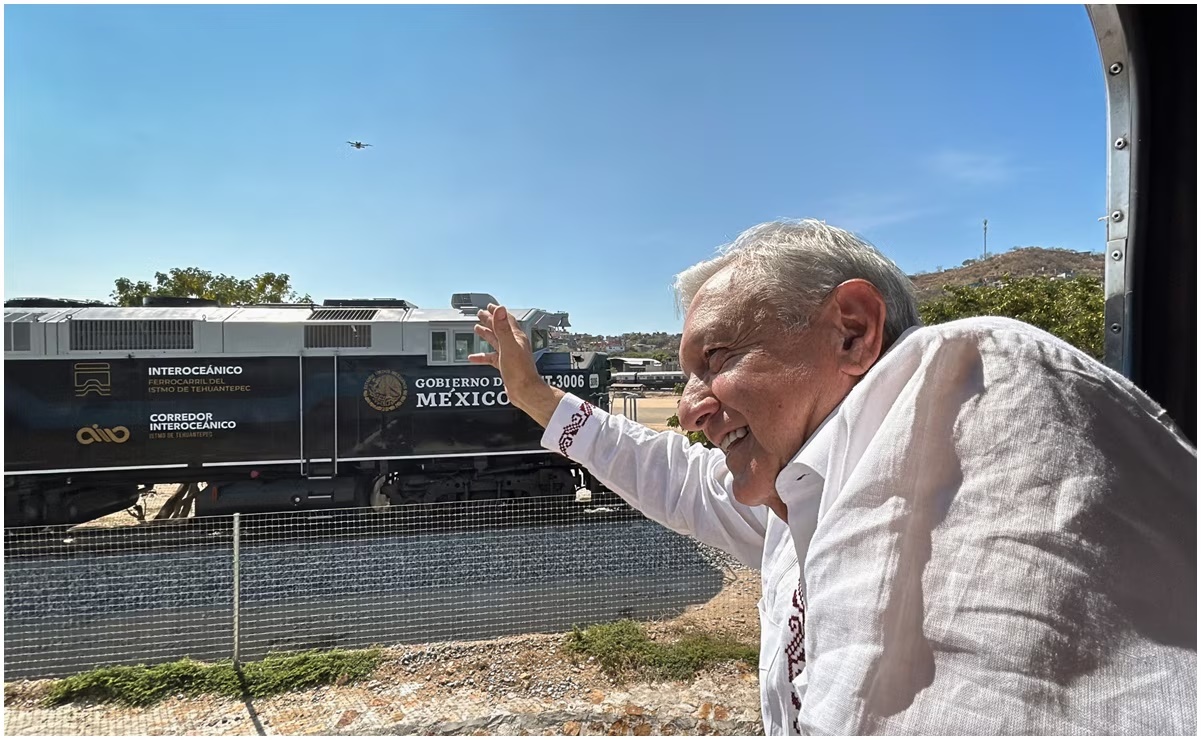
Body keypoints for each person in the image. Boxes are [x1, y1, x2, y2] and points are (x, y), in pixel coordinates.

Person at [470, 219, 1196, 736]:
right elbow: (677, 477)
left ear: (851, 330)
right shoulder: (805, 493)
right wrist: (533, 396)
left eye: (717, 358)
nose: (690, 410)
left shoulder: (968, 381)